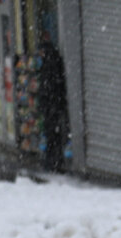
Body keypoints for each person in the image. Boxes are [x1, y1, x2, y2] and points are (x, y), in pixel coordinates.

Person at [36, 31, 68, 173]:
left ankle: (53, 162)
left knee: (52, 135)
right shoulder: (53, 63)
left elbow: (50, 87)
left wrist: (48, 104)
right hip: (54, 106)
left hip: (52, 106)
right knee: (53, 135)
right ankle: (54, 161)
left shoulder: (49, 66)